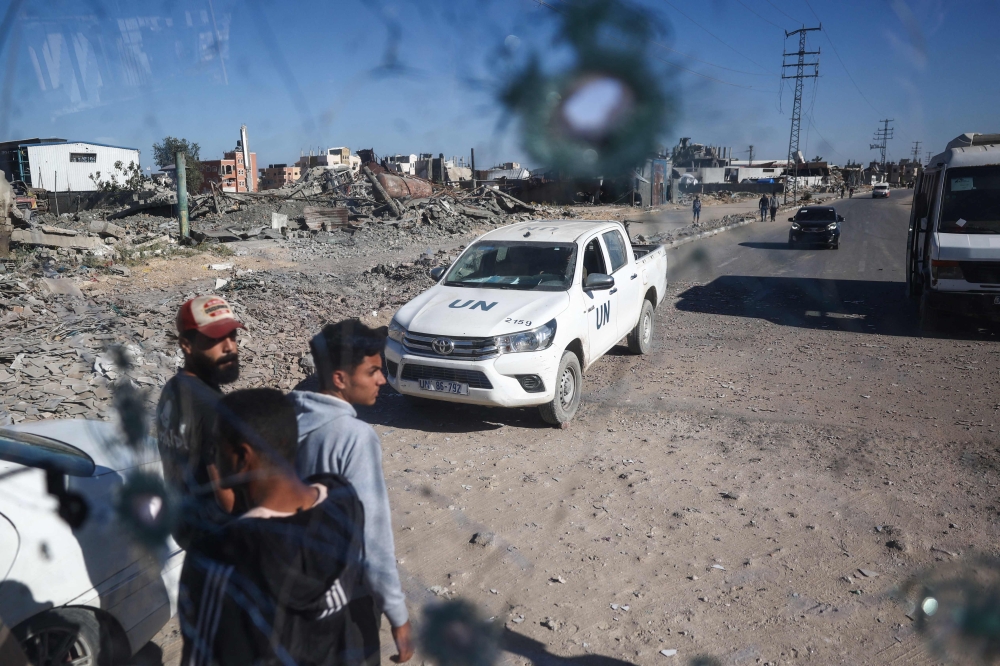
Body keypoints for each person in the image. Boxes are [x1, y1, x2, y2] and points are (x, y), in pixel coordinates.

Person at [179, 388, 378, 666]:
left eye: (216, 450)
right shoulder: (343, 501)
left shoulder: (216, 559)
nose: (213, 459)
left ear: (242, 457)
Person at [290, 320, 414, 663]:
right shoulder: (354, 437)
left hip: (291, 597)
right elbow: (373, 537)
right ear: (340, 379)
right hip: (344, 601)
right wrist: (398, 615)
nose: (382, 380)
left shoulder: (284, 420)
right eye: (373, 371)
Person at [156, 295, 243, 548]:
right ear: (186, 345)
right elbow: (230, 501)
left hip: (186, 530)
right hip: (218, 545)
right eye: (215, 338)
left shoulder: (173, 389)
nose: (229, 347)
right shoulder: (215, 409)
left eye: (232, 336)